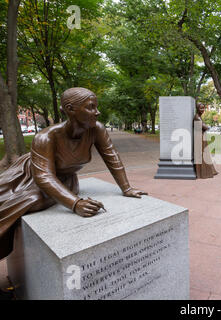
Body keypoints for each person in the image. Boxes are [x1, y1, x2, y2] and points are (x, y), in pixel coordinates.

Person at [0, 87, 148, 261]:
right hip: (29, 175)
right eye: (91, 107)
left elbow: (112, 157)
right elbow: (44, 176)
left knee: (48, 197)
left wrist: (127, 188)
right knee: (29, 200)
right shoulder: (45, 137)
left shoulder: (96, 129)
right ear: (70, 109)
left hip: (65, 179)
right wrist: (75, 203)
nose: (97, 112)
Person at [193, 103, 218, 179]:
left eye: (203, 108)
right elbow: (205, 127)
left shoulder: (199, 117)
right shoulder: (197, 117)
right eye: (201, 108)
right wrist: (206, 126)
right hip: (199, 138)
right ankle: (203, 173)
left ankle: (210, 170)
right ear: (197, 108)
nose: (202, 110)